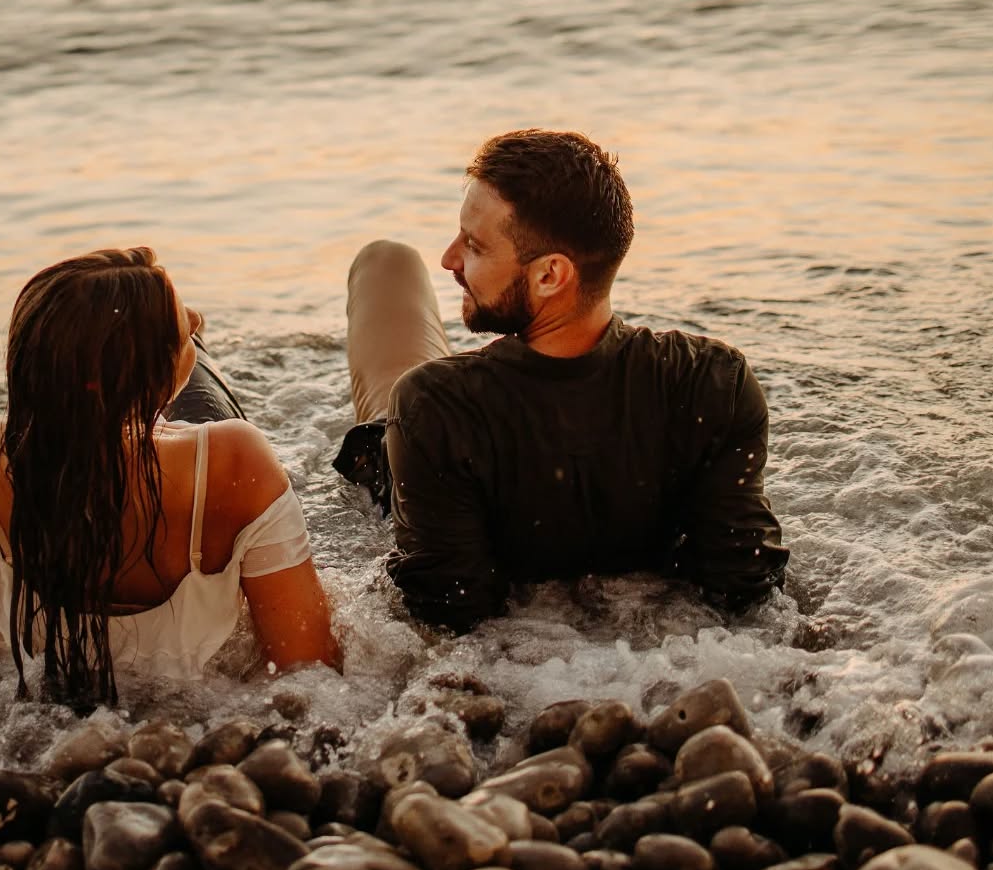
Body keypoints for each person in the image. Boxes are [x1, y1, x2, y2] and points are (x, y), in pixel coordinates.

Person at [334, 130, 788, 632]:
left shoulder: (434, 404)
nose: (449, 259)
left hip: (425, 459)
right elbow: (744, 582)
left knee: (386, 259)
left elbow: (450, 608)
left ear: (551, 275)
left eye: (474, 246)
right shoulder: (712, 382)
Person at [0, 247, 340, 703]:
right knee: (203, 373)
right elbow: (307, 666)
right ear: (147, 380)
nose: (195, 319)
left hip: (100, 417)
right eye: (181, 326)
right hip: (189, 470)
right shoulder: (236, 458)